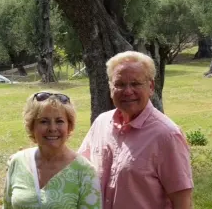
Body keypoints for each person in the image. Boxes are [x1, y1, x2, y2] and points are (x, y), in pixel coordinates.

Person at [78, 51, 193, 209]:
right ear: (111, 88)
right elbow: (79, 168)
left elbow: (182, 202)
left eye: (135, 83)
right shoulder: (101, 123)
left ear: (151, 87)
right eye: (119, 84)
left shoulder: (167, 135)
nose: (127, 91)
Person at [3, 91, 102, 209]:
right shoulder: (17, 162)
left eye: (59, 121)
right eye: (44, 121)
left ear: (69, 126)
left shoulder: (84, 171)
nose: (52, 128)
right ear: (32, 126)